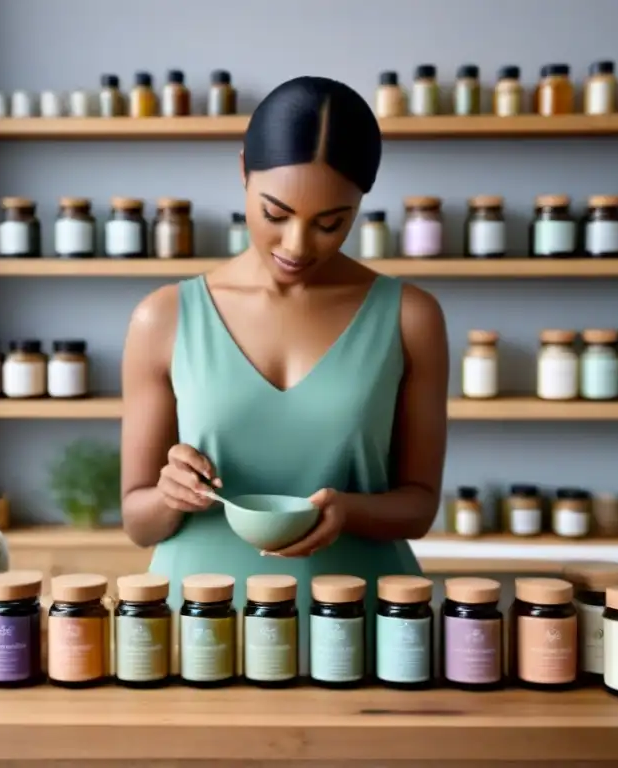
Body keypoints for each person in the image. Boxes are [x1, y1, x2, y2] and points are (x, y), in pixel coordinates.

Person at [120, 75, 449, 662]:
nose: (298, 244)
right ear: (244, 170)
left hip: (364, 630)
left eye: (331, 222)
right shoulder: (162, 317)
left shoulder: (411, 317)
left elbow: (419, 506)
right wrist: (170, 493)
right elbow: (138, 522)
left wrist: (350, 510)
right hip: (196, 632)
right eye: (276, 212)